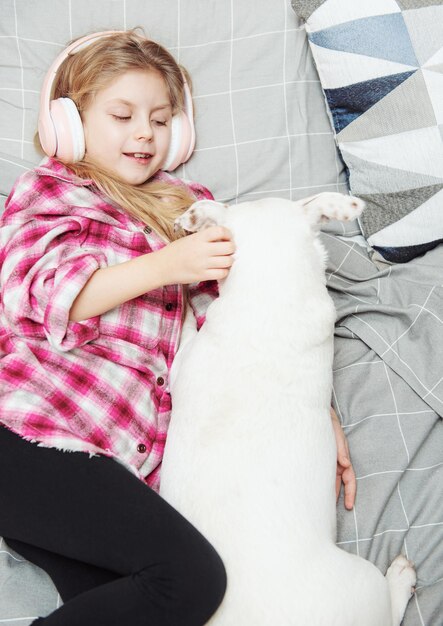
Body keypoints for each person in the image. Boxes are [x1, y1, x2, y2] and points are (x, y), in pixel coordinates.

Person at [0, 28, 355, 625]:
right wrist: (167, 265)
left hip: (118, 465)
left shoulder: (190, 207)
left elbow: (248, 326)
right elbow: (39, 290)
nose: (144, 132)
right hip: (29, 436)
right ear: (67, 122)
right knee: (191, 579)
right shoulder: (54, 191)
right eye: (122, 115)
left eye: (161, 120)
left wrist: (317, 412)